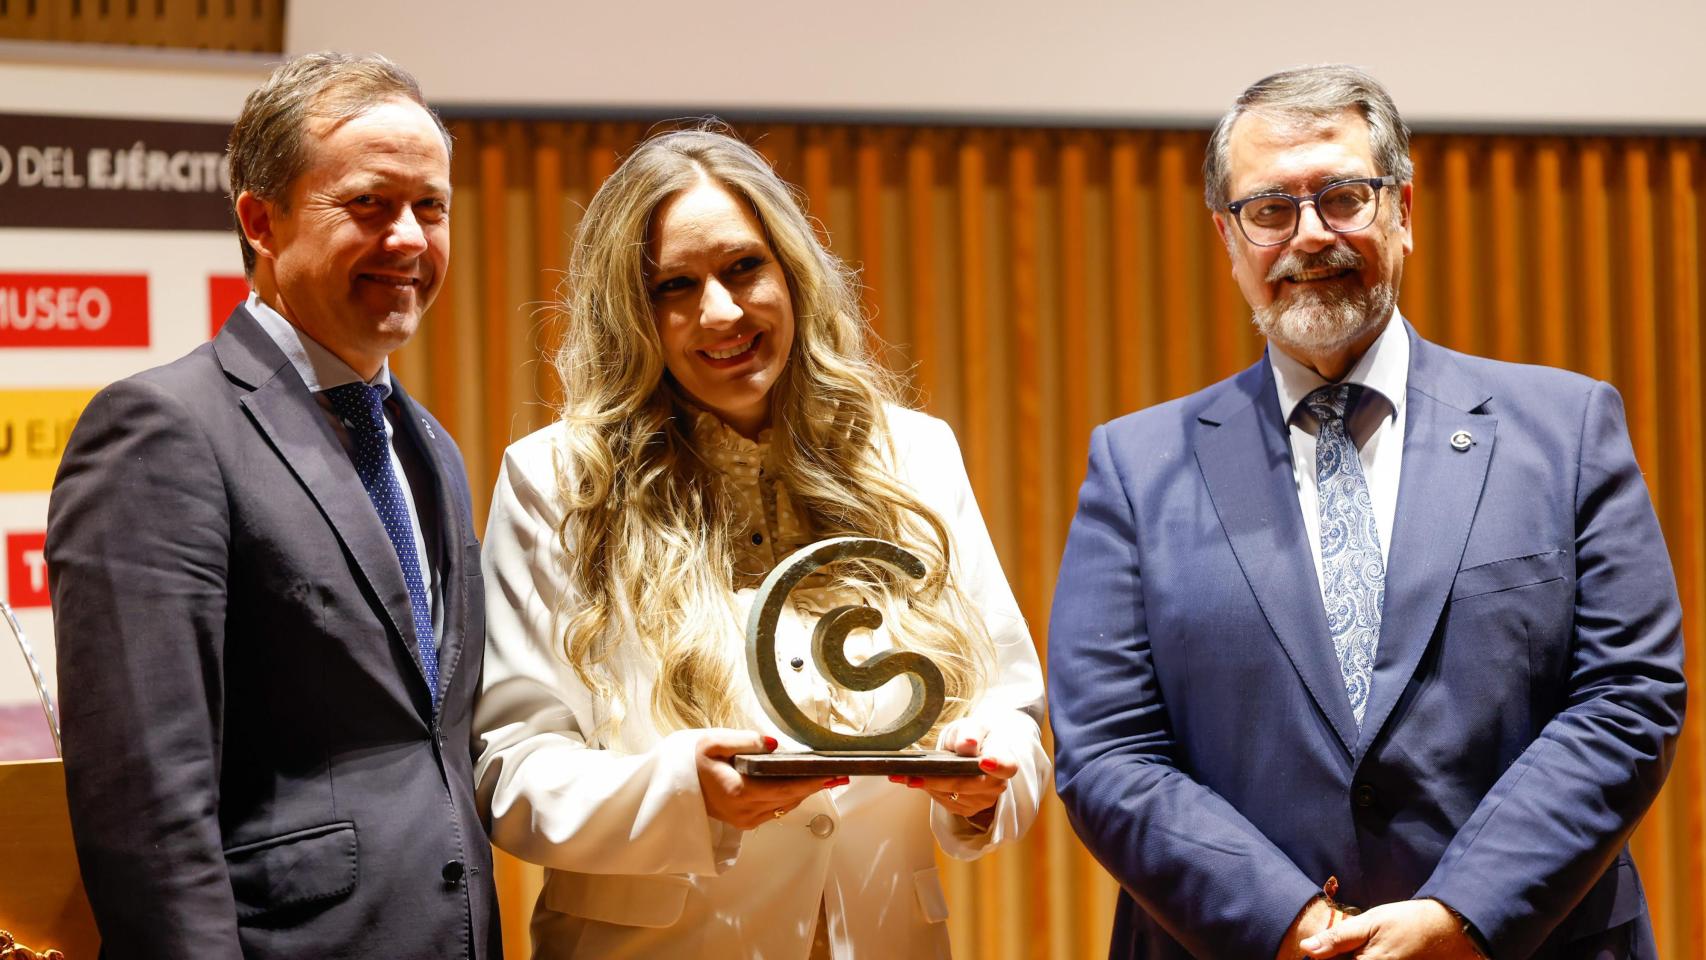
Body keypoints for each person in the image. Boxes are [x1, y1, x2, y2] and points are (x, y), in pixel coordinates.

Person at [1048, 65, 1685, 960]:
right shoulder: (1135, 465)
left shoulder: (1567, 428)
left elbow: (1627, 698)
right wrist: (1291, 924)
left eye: (1343, 197)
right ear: (1229, 240)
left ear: (1404, 212)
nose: (1309, 236)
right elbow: (1107, 750)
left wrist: (1463, 913)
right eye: (1269, 210)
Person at [473, 127, 1047, 958]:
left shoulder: (915, 453)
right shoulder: (557, 481)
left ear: (791, 272)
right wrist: (680, 794)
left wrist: (987, 780)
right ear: (630, 312)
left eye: (744, 267)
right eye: (675, 285)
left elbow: (1011, 706)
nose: (722, 312)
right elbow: (514, 768)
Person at [46, 52, 501, 960]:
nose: (410, 237)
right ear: (261, 220)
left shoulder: (432, 447)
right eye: (370, 203)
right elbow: (145, 807)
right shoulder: (161, 430)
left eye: (432, 206)